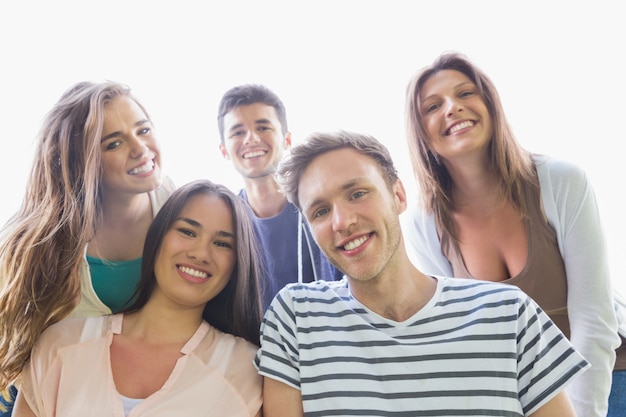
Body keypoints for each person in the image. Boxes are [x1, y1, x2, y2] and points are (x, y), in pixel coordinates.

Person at [256, 130, 589, 416]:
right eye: (320, 211)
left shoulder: (508, 313)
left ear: (398, 196)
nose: (341, 221)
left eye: (357, 194)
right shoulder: (296, 317)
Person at [402, 51, 625, 417]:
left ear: (490, 104)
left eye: (465, 94)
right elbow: (462, 345)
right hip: (516, 396)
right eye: (432, 106)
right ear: (420, 133)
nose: (452, 107)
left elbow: (593, 320)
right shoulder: (424, 225)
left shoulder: (560, 181)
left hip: (605, 379)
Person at [12, 179, 264, 416]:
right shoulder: (60, 345)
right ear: (157, 237)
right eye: (187, 232)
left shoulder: (247, 372)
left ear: (236, 265)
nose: (200, 253)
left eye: (222, 244)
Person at [0, 81, 176, 413]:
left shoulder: (181, 211)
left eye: (144, 129)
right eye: (115, 143)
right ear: (82, 161)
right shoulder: (36, 242)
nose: (141, 149)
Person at [217, 83, 342, 309]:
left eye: (263, 127)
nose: (251, 139)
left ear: (287, 139)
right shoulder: (223, 221)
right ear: (223, 150)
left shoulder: (324, 209)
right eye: (238, 132)